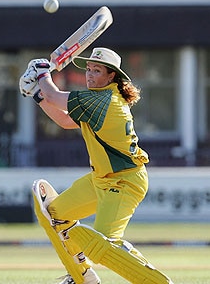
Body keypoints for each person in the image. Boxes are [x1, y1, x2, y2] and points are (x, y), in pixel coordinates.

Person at [19, 48, 173, 284]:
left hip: (124, 182)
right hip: (100, 179)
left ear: (111, 76)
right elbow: (64, 119)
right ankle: (81, 276)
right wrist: (38, 95)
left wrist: (41, 76)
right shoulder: (97, 100)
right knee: (55, 215)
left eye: (97, 70)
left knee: (103, 246)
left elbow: (54, 95)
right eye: (89, 69)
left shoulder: (104, 101)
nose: (89, 75)